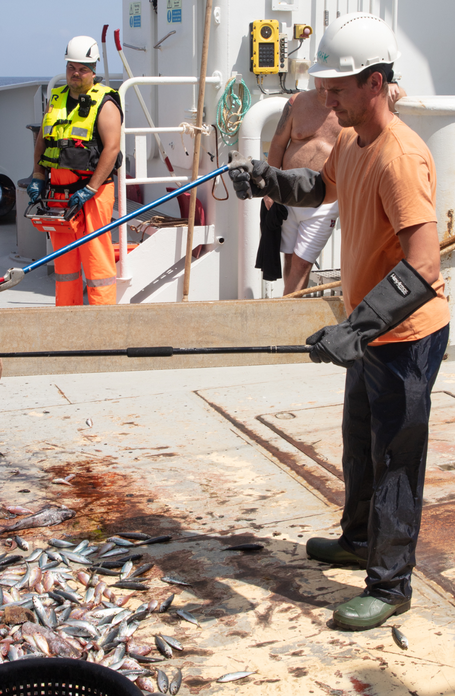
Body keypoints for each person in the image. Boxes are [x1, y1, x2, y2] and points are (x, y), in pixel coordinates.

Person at [228, 12, 449, 631]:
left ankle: (391, 584)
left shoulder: (401, 157)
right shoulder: (353, 141)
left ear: (375, 82)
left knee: (394, 459)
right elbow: (319, 187)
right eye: (325, 87)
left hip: (407, 334)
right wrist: (268, 180)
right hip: (373, 330)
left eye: (339, 88)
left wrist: (360, 325)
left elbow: (426, 265)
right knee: (359, 442)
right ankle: (357, 540)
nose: (327, 98)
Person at [28, 36, 122, 306]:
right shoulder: (56, 98)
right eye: (72, 67)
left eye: (83, 68)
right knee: (64, 267)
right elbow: (43, 139)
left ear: (93, 71)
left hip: (91, 194)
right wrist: (37, 177)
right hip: (58, 195)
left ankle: (103, 324)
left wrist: (90, 189)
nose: (76, 73)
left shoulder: (105, 102)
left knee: (97, 264)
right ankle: (66, 321)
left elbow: (112, 148)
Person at [263, 88, 342, 295]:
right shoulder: (297, 102)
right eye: (320, 77)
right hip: (288, 195)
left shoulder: (349, 108)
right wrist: (271, 189)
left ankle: (285, 316)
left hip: (324, 202)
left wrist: (395, 85)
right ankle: (290, 309)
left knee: (302, 262)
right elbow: (278, 145)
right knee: (289, 257)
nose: (324, 83)